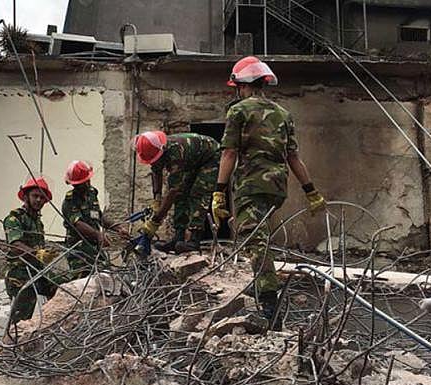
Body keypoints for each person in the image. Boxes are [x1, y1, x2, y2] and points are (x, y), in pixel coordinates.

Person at [212, 56, 327, 325]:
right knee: (258, 236)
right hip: (276, 187)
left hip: (250, 185)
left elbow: (229, 153)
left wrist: (218, 191)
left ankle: (269, 305)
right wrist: (311, 191)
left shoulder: (238, 111)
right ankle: (262, 283)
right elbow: (293, 157)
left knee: (255, 240)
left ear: (242, 85)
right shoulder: (283, 114)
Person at [134, 131, 220, 253]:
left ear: (162, 151)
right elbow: (156, 171)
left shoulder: (175, 154)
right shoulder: (156, 150)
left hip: (210, 158)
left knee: (198, 194)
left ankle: (194, 240)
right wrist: (157, 198)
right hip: (192, 161)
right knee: (181, 196)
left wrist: (155, 220)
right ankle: (178, 237)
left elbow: (173, 191)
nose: (153, 162)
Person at [3, 176, 58, 323]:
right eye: (35, 196)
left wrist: (48, 254)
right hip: (19, 275)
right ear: (26, 196)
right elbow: (15, 245)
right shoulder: (14, 219)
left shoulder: (38, 223)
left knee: (62, 287)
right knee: (21, 319)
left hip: (37, 271)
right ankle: (13, 343)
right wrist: (38, 254)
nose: (39, 200)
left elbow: (39, 248)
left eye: (42, 197)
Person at [62, 160, 127, 277]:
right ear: (73, 184)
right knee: (84, 283)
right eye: (80, 184)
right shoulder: (70, 201)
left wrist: (117, 228)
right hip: (79, 253)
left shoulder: (92, 193)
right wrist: (98, 235)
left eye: (86, 181)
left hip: (96, 251)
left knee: (104, 280)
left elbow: (98, 217)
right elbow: (78, 224)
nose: (85, 185)